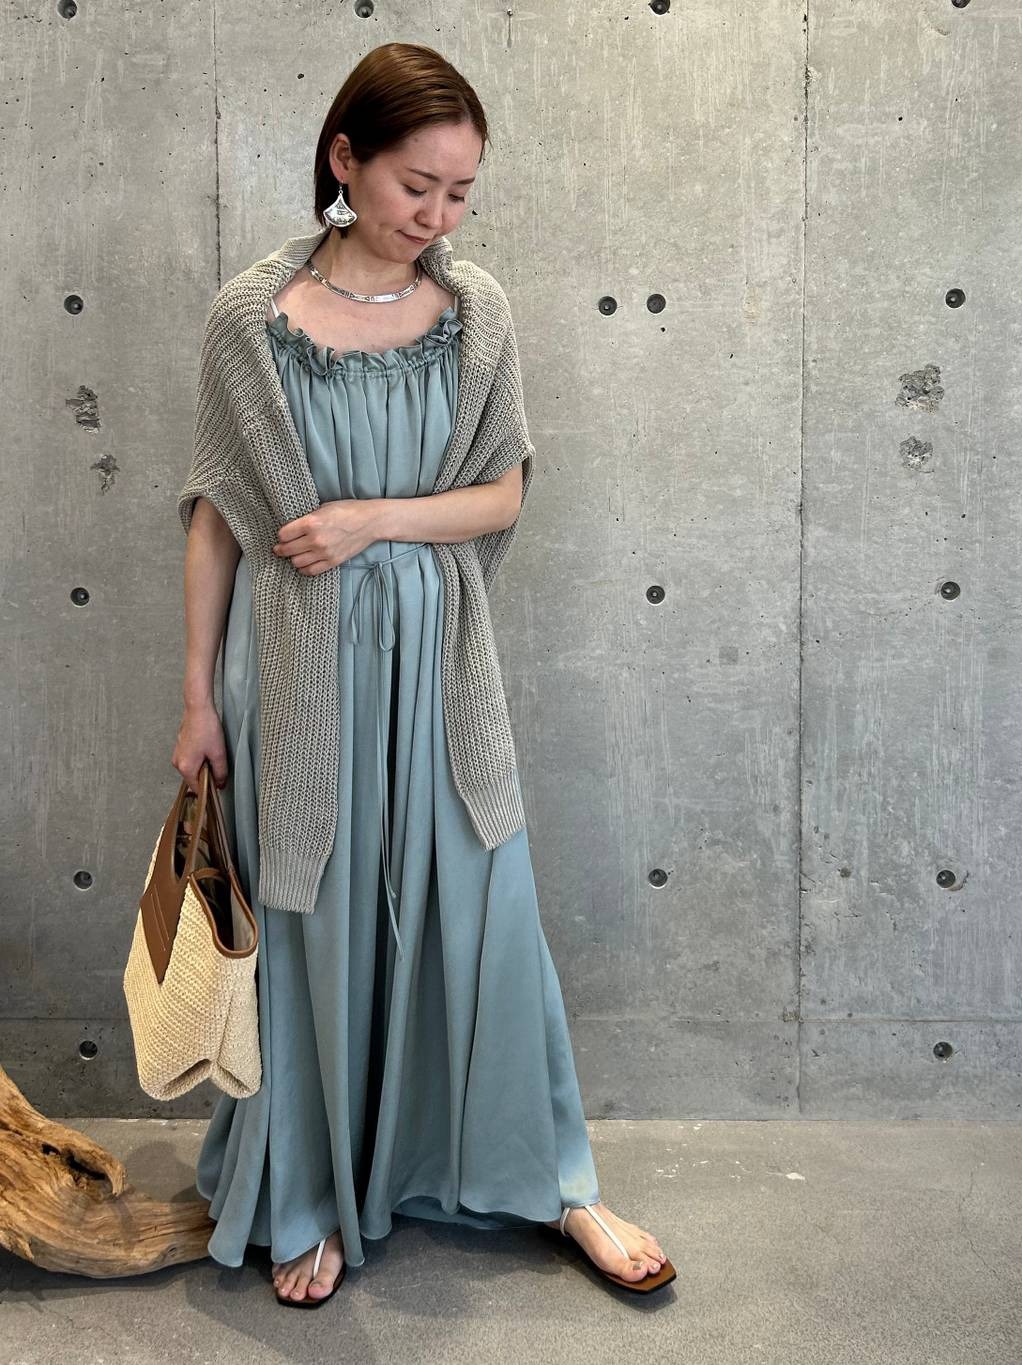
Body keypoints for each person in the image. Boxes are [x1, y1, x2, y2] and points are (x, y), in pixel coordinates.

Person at [173, 41, 674, 1306]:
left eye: (460, 192)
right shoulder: (251, 322)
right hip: (296, 670)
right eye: (416, 186)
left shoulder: (475, 314)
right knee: (313, 917)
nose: (438, 216)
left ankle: (553, 1179)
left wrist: (370, 522)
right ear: (345, 161)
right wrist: (195, 698)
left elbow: (501, 493)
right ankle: (311, 1193)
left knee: (482, 903)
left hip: (440, 667)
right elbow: (217, 515)